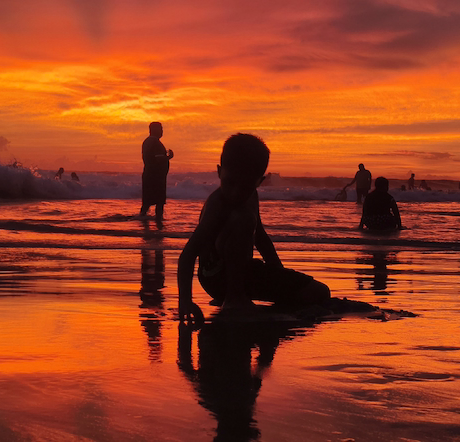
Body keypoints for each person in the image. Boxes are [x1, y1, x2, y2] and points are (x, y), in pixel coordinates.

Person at [177, 134, 330, 323]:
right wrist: (185, 301)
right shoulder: (217, 205)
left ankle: (237, 294)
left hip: (245, 272)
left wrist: (279, 274)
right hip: (215, 277)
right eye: (230, 182)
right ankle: (233, 298)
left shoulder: (252, 197)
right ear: (219, 171)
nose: (235, 193)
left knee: (320, 292)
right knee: (242, 219)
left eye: (245, 186)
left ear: (259, 181)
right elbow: (188, 255)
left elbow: (261, 238)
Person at [140, 122, 174, 220]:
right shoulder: (155, 143)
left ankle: (143, 223)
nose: (162, 131)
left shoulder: (147, 142)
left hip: (150, 175)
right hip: (156, 177)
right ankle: (159, 225)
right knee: (159, 203)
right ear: (154, 130)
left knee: (146, 203)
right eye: (160, 129)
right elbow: (158, 159)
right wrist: (169, 157)